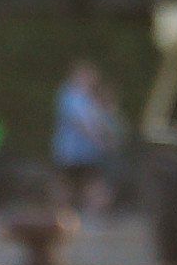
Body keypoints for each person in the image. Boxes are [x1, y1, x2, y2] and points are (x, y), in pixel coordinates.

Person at [51, 59, 125, 222]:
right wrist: (100, 139)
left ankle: (92, 215)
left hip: (88, 151)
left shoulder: (88, 98)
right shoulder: (70, 96)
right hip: (71, 151)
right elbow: (80, 122)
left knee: (91, 183)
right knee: (68, 185)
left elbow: (102, 119)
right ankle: (62, 217)